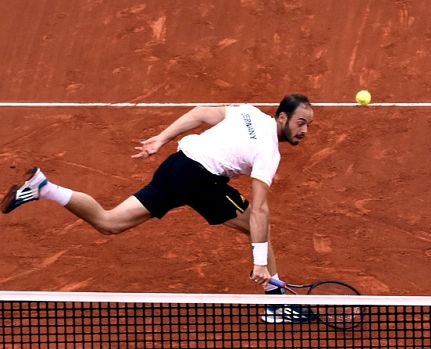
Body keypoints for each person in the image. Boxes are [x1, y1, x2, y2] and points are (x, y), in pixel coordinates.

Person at [1, 94, 316, 323]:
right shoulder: (269, 153)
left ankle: (44, 188)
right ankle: (276, 305)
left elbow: (200, 112)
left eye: (309, 126)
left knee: (109, 222)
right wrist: (259, 263)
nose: (304, 131)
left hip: (176, 165)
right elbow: (259, 210)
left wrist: (162, 139)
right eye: (300, 123)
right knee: (260, 225)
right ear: (282, 117)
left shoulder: (248, 112)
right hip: (200, 178)